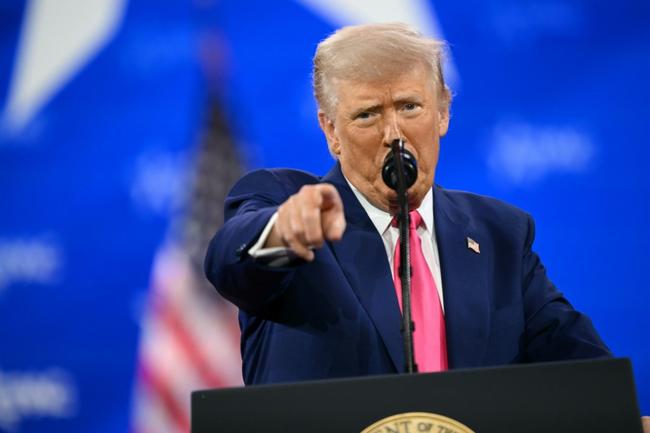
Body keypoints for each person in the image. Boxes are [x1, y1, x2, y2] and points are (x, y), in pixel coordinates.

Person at [204, 23, 612, 385]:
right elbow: (230, 262)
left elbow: (587, 377)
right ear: (331, 130)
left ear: (443, 112)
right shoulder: (288, 204)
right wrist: (282, 233)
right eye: (367, 115)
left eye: (409, 107)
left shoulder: (501, 234)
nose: (393, 135)